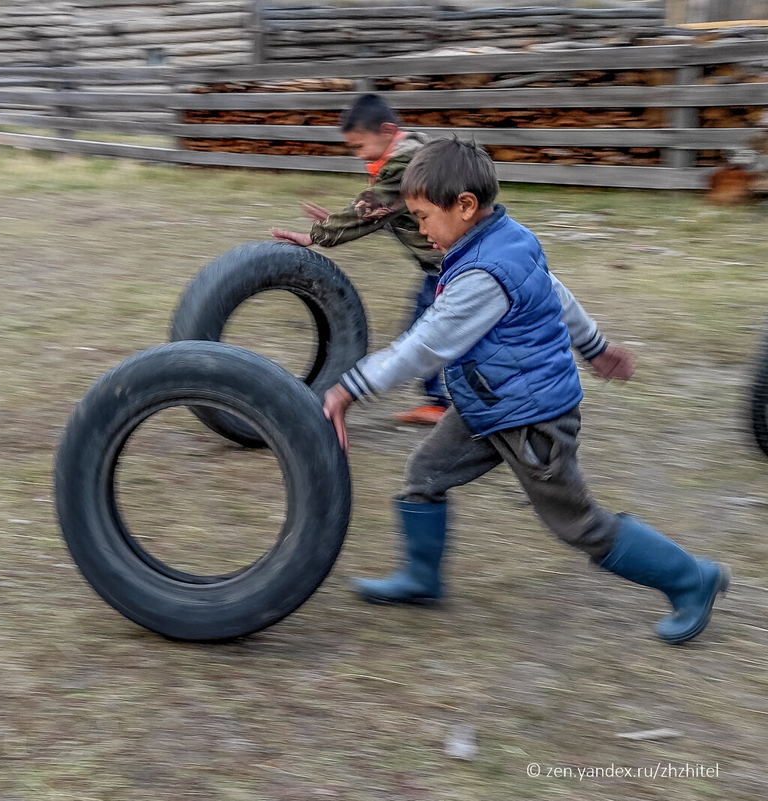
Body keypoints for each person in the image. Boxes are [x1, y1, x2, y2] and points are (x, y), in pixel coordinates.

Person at [322, 138, 730, 645]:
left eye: (423, 217)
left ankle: (692, 579)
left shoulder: (483, 274)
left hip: (532, 418)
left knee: (578, 524)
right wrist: (595, 347)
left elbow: (426, 345)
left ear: (465, 206)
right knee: (425, 474)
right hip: (488, 402)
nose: (420, 229)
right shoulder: (505, 239)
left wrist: (350, 388)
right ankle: (421, 578)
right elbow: (555, 292)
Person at [270, 94, 448, 425]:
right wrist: (335, 222)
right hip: (439, 267)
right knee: (424, 331)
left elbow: (369, 210)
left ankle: (457, 404)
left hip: (452, 266)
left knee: (437, 333)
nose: (359, 154)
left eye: (360, 146)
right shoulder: (406, 155)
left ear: (387, 130)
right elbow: (391, 215)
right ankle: (440, 402)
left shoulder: (405, 163)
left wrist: (316, 235)